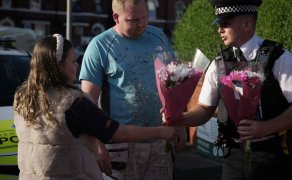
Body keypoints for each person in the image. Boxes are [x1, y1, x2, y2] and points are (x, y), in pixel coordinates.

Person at [172, 0, 292, 179]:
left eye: (225, 23)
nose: (219, 29)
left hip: (273, 157)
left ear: (247, 23)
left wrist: (266, 127)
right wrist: (180, 119)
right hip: (234, 157)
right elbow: (205, 109)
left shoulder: (280, 58)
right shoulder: (218, 64)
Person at [13, 34, 178, 180]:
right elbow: (119, 133)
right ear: (59, 68)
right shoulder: (72, 104)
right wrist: (161, 131)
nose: (77, 65)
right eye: (73, 61)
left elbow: (66, 133)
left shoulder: (24, 98)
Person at [79, 0, 186, 179]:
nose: (142, 24)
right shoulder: (99, 46)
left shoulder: (158, 36)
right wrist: (96, 144)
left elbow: (173, 82)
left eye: (145, 17)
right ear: (116, 17)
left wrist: (180, 123)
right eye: (133, 20)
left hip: (161, 140)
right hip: (121, 146)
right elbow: (87, 103)